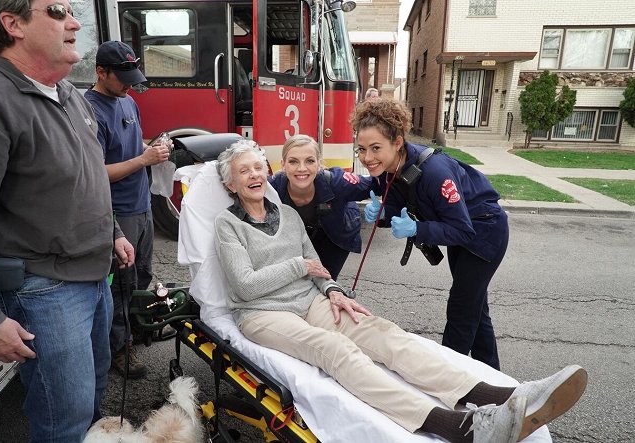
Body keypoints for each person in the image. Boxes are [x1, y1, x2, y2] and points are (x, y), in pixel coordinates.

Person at [212, 141, 587, 443]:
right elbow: (245, 284)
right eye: (243, 171)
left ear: (267, 172)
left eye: (258, 167)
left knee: (383, 333)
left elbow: (317, 266)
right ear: (231, 184)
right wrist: (300, 268)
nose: (253, 175)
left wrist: (333, 290)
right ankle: (456, 427)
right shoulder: (227, 224)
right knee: (335, 349)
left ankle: (506, 396)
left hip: (310, 300)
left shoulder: (289, 216)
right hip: (262, 313)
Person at [0, 1, 134, 442]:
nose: (75, 21)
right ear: (13, 25)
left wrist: (114, 232)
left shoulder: (67, 94)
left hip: (92, 275)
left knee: (92, 397)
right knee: (64, 418)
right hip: (44, 289)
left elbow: (86, 178)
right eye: (57, 10)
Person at [352, 98, 509, 370]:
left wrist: (417, 229)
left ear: (398, 142)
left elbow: (461, 228)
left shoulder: (435, 172)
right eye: (362, 149)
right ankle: (495, 379)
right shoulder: (385, 169)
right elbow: (398, 203)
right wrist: (384, 213)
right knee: (475, 308)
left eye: (376, 148)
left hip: (485, 232)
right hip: (462, 233)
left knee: (461, 310)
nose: (367, 158)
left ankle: (448, 380)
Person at [85, 40, 171, 379]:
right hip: (116, 212)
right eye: (122, 78)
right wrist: (144, 159)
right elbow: (96, 173)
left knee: (143, 274)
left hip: (142, 205)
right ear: (100, 72)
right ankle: (119, 349)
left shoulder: (129, 102)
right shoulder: (89, 110)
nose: (130, 85)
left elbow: (133, 150)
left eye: (133, 76)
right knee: (120, 282)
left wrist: (156, 148)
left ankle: (136, 331)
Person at [268, 134, 372, 279]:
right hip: (298, 236)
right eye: (293, 162)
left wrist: (387, 208)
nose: (302, 168)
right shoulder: (271, 188)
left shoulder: (336, 181)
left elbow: (374, 184)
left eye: (310, 161)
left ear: (318, 164)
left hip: (334, 235)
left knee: (324, 279)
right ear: (283, 165)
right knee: (297, 280)